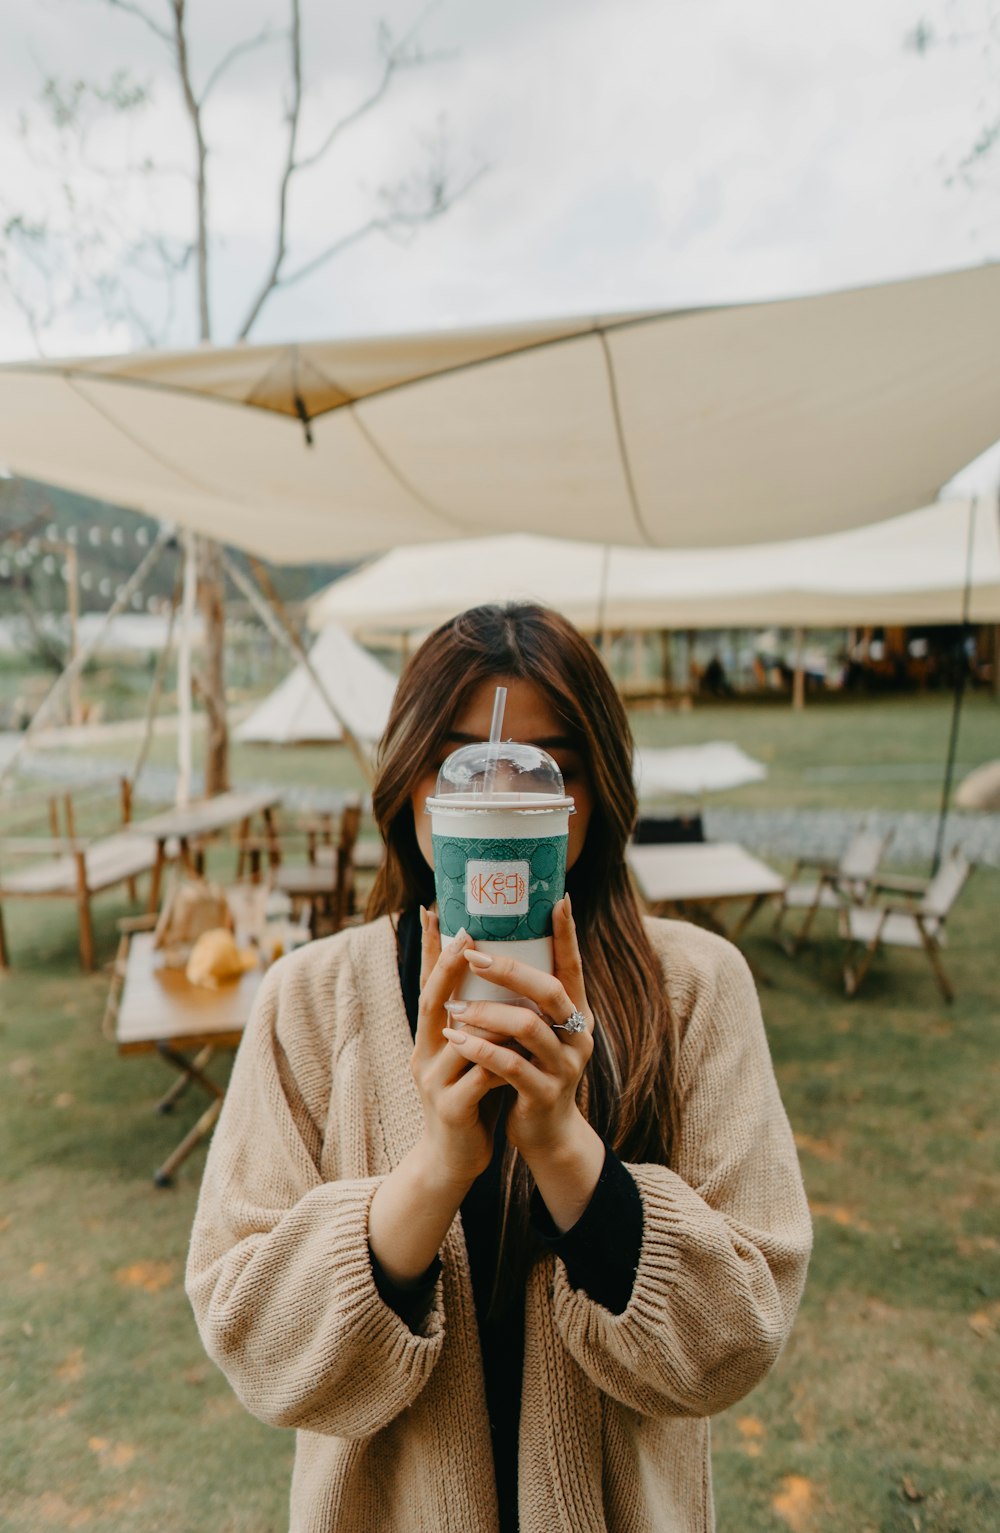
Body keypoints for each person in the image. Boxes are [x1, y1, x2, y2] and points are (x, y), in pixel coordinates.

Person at [186, 602, 812, 1533]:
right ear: (409, 790)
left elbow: (739, 1332)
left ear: (592, 795)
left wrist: (566, 1150)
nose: (509, 789)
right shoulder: (308, 1001)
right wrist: (437, 1166)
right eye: (465, 764)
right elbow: (250, 1329)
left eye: (549, 764)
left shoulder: (696, 989)